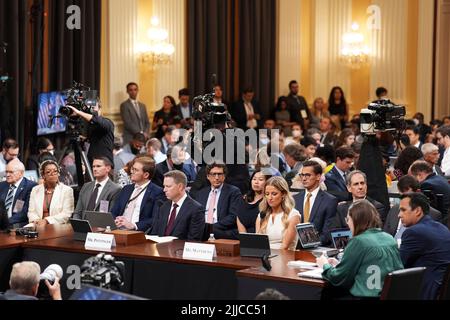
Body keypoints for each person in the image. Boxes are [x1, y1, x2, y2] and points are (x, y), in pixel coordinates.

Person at [317, 200, 403, 299]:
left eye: (348, 219)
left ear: (356, 219)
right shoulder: (389, 238)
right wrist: (340, 265)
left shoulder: (358, 241)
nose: (347, 223)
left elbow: (338, 278)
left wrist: (325, 265)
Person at [398, 193, 450, 300]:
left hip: (425, 292)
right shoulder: (442, 228)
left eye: (403, 210)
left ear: (417, 211)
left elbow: (398, 264)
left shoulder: (413, 232)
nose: (399, 215)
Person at [192, 163, 244, 240]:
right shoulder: (201, 193)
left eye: (219, 174)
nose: (216, 178)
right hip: (202, 230)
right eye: (213, 174)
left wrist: (210, 227)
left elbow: (233, 216)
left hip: (221, 230)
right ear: (208, 176)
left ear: (224, 176)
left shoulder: (233, 192)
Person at [111, 157, 165, 231]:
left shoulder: (158, 192)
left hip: (138, 233)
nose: (131, 172)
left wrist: (134, 225)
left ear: (146, 175)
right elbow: (114, 211)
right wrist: (116, 220)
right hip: (118, 230)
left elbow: (155, 218)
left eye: (135, 170)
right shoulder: (126, 189)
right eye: (132, 169)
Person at [149, 170, 204, 240]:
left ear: (180, 187)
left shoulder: (195, 209)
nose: (164, 190)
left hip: (180, 249)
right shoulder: (163, 206)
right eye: (164, 186)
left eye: (168, 186)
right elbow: (155, 233)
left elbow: (193, 240)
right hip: (160, 248)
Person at [294, 161, 338, 244]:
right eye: (302, 175)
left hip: (317, 248)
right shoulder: (295, 199)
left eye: (307, 175)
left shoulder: (330, 201)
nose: (303, 178)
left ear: (318, 176)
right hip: (295, 247)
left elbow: (327, 232)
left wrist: (310, 244)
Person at [256, 176, 301, 250]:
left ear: (283, 194)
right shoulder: (262, 215)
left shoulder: (293, 215)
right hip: (263, 257)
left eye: (274, 194)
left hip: (284, 257)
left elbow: (285, 247)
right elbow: (257, 243)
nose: (270, 198)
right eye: (267, 194)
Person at [66, 100, 115, 167]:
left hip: (104, 167)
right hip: (92, 165)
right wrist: (85, 139)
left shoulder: (107, 122)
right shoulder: (90, 125)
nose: (90, 109)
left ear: (100, 108)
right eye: (88, 107)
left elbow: (97, 121)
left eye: (93, 107)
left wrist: (78, 112)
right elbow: (95, 139)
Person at [28, 160, 74, 226]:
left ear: (58, 174)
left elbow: (66, 214)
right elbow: (31, 212)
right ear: (43, 175)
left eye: (55, 171)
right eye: (48, 172)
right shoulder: (35, 190)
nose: (52, 174)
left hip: (59, 227)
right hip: (38, 226)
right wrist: (37, 221)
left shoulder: (67, 190)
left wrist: (46, 221)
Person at [409, 160, 450, 225]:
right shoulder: (440, 178)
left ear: (419, 175)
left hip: (442, 221)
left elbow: (426, 210)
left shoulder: (426, 185)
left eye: (413, 178)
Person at [0, 159, 36, 227]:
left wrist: (5, 222)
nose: (7, 175)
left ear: (21, 173)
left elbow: (25, 213)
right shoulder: (2, 185)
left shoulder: (30, 186)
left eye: (11, 172)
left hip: (17, 224)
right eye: (6, 172)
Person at [237, 170, 271, 234]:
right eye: (254, 179)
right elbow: (239, 218)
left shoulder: (269, 201)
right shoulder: (244, 199)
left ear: (268, 182)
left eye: (260, 180)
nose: (256, 182)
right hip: (244, 238)